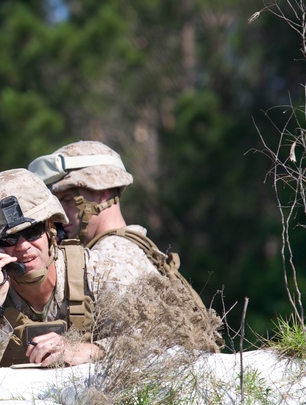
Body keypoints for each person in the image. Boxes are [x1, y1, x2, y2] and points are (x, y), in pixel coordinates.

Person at [0, 168, 125, 387]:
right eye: (8, 238)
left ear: (51, 229)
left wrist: (85, 350)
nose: (23, 246)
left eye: (33, 231)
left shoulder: (97, 273)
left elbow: (156, 341)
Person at [29, 140, 220, 338]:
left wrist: (82, 352)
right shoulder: (131, 246)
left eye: (67, 200)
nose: (60, 214)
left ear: (101, 193)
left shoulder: (113, 259)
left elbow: (140, 344)